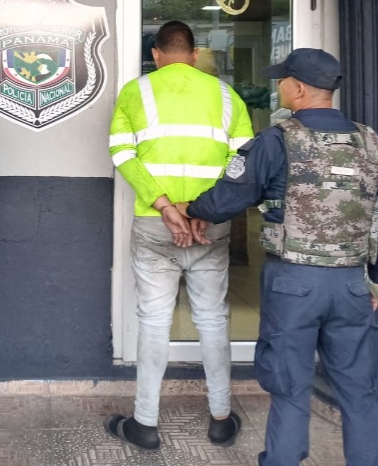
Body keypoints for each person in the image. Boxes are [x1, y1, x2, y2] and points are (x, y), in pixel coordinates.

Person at [177, 48, 378, 465]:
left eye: (283, 80)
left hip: (294, 284)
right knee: (361, 390)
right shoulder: (370, 140)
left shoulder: (278, 139)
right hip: (352, 285)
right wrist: (375, 278)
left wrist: (192, 209)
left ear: (299, 88)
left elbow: (232, 196)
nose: (279, 87)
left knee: (290, 388)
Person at [104, 20, 253, 451]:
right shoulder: (226, 95)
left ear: (156, 54)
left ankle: (145, 423)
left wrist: (166, 206)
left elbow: (121, 152)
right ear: (194, 53)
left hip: (156, 222)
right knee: (212, 318)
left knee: (153, 320)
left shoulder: (135, 91)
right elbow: (244, 162)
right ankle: (221, 419)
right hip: (210, 225)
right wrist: (205, 209)